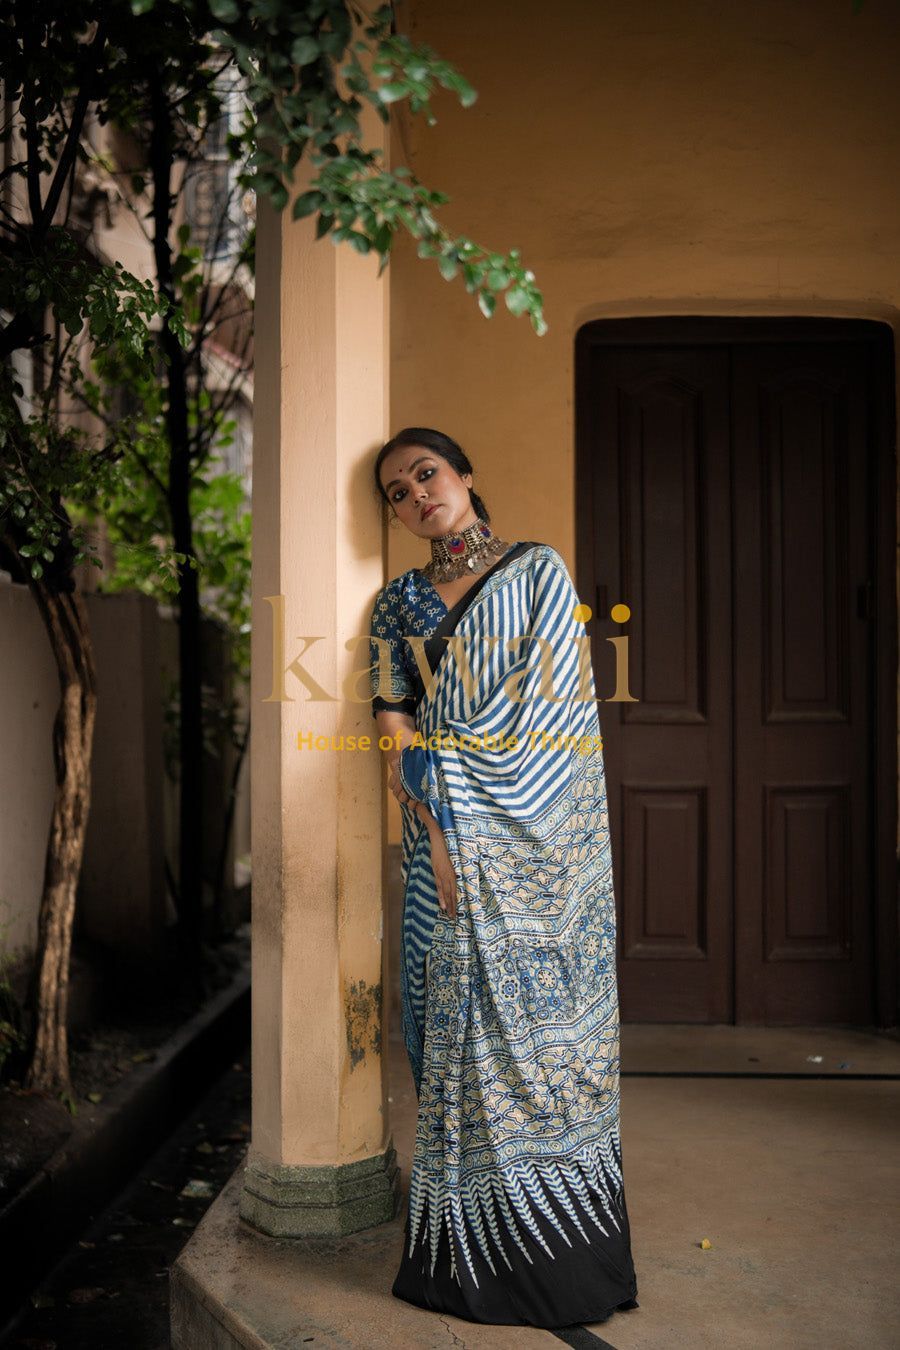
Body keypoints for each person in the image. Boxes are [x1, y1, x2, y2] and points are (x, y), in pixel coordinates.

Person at [368, 426, 640, 1330]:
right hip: (438, 843)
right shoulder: (396, 605)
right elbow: (393, 723)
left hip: (538, 856)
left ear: (466, 477)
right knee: (451, 1039)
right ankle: (460, 1259)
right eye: (396, 493)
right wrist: (438, 828)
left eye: (425, 474)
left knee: (544, 1048)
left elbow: (556, 728)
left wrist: (470, 816)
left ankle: (560, 1266)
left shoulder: (535, 574)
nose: (415, 497)